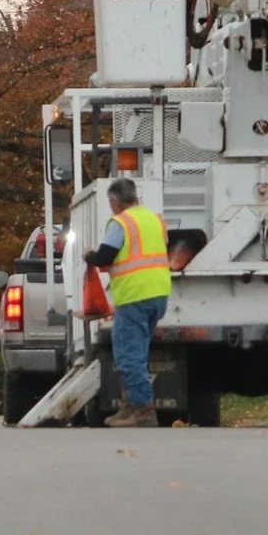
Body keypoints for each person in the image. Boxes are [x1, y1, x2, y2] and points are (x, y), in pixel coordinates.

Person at [85, 177, 172, 428]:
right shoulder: (154, 219)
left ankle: (143, 410)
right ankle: (129, 406)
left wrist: (89, 256)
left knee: (128, 356)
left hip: (134, 296)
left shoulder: (121, 223)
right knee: (138, 353)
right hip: (158, 293)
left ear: (114, 201)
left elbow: (105, 256)